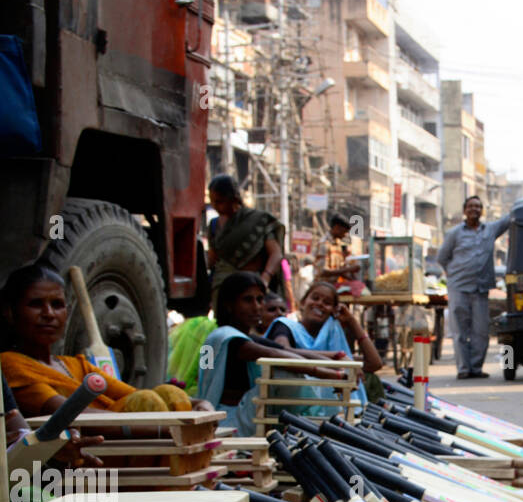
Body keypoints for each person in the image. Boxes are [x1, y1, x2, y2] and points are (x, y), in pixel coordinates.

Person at [0, 263, 210, 419]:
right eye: (36, 304)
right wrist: (158, 426)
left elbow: (132, 394)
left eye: (57, 305)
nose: (49, 314)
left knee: (167, 393)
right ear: (10, 313)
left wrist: (197, 404)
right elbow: (66, 413)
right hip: (95, 452)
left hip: (126, 438)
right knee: (149, 403)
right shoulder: (10, 364)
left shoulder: (75, 364)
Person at [197, 273, 334, 435]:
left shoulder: (230, 338)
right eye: (248, 300)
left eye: (260, 299)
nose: (256, 307)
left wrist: (334, 358)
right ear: (229, 304)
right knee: (283, 371)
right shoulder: (228, 338)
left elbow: (288, 351)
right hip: (231, 420)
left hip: (241, 416)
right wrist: (324, 373)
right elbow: (275, 354)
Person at [265, 278, 381, 410]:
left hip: (327, 415)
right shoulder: (285, 326)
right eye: (315, 298)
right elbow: (282, 350)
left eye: (327, 303)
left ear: (333, 310)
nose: (319, 304)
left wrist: (351, 321)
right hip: (289, 410)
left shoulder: (329, 343)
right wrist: (336, 357)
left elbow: (374, 363)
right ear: (302, 303)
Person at [436, 196, 510, 378]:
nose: (474, 210)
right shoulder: (455, 233)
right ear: (464, 210)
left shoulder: (491, 230)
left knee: (481, 331)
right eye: (470, 206)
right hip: (459, 288)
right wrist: (454, 274)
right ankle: (463, 369)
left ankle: (476, 368)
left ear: (481, 210)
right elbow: (442, 258)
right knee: (460, 331)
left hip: (481, 289)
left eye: (477, 206)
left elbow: (508, 220)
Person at [206, 175, 285, 302]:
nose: (215, 206)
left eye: (220, 201)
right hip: (222, 288)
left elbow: (276, 254)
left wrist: (265, 278)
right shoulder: (214, 225)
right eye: (212, 201)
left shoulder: (259, 220)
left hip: (251, 286)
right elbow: (212, 258)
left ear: (233, 198)